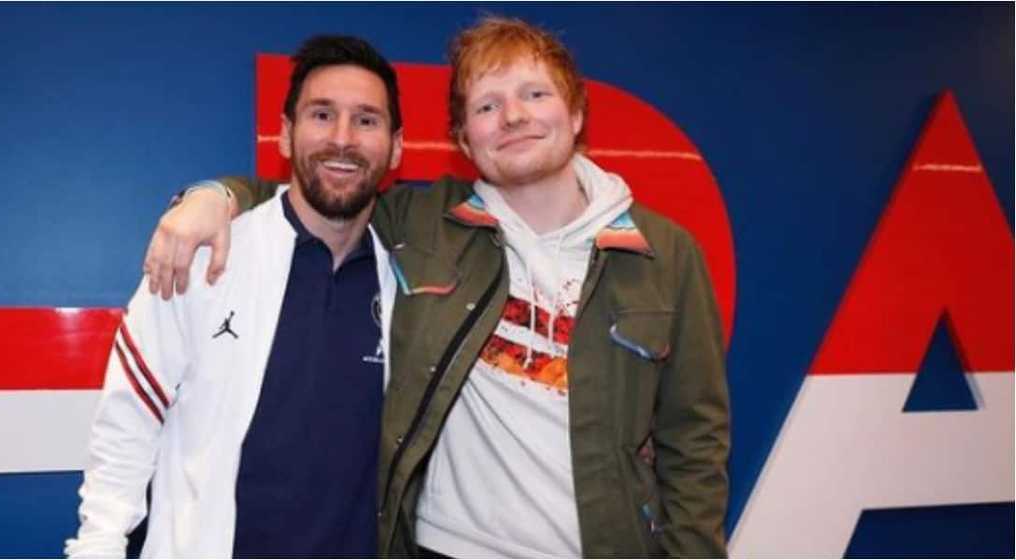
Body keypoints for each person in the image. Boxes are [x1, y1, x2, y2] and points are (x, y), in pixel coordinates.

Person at [146, 17, 729, 557]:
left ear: (576, 113)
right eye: (487, 105)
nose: (514, 116)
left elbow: (695, 443)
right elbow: (316, 194)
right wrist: (213, 196)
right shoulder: (424, 222)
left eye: (535, 94)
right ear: (464, 138)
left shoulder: (665, 253)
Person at [66, 35, 403, 558]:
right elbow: (126, 424)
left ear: (396, 145)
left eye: (366, 120)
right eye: (321, 115)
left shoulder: (407, 278)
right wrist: (97, 549)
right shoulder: (202, 255)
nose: (343, 138)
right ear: (286, 135)